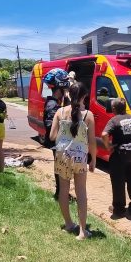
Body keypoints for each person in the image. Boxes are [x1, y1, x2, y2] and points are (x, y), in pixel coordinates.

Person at [49, 82, 96, 240]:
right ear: (85, 96)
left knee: (64, 189)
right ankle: (83, 231)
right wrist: (93, 160)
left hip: (62, 156)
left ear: (68, 95)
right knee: (81, 192)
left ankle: (69, 224)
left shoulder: (60, 112)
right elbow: (92, 142)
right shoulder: (88, 115)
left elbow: (52, 137)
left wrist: (65, 136)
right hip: (80, 157)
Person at [102, 98, 131, 218]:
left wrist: (108, 146)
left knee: (118, 182)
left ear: (114, 109)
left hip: (119, 156)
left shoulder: (114, 120)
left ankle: (119, 209)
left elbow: (104, 134)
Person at [43, 69, 71, 200]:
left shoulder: (58, 103)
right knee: (61, 169)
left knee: (62, 168)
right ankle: (60, 194)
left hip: (61, 143)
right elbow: (51, 126)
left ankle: (62, 192)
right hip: (58, 143)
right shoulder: (53, 105)